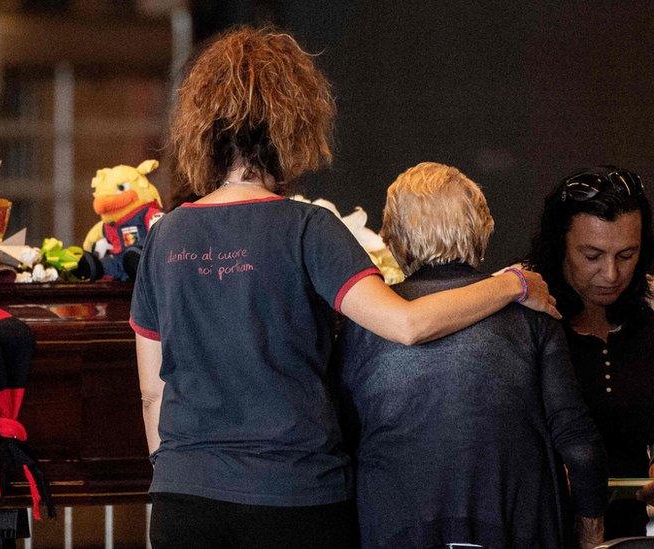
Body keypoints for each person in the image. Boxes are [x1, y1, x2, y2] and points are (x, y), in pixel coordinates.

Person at [129, 28, 558, 549]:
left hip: (183, 500)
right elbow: (407, 324)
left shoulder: (164, 235)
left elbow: (154, 393)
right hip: (294, 499)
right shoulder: (308, 228)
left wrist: (175, 480)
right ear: (296, 123)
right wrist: (511, 283)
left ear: (203, 124)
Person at [338, 162, 607, 548]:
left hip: (397, 528)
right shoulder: (532, 314)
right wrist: (591, 532)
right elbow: (580, 446)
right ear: (482, 228)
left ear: (392, 237)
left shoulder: (365, 323)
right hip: (516, 528)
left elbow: (341, 445)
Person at [527, 165, 654, 538]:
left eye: (627, 255)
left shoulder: (651, 307)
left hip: (637, 530)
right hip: (550, 529)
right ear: (559, 244)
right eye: (592, 255)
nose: (611, 274)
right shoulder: (522, 313)